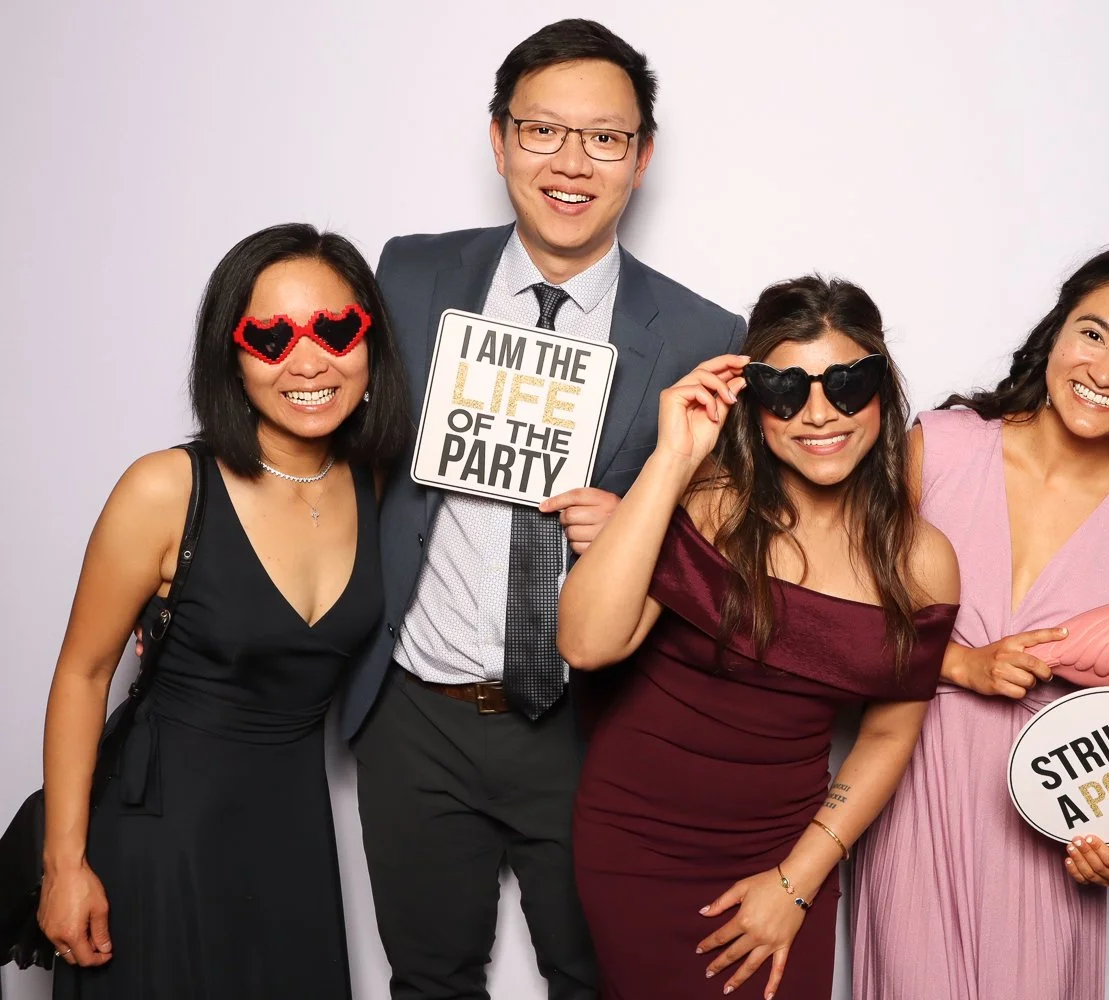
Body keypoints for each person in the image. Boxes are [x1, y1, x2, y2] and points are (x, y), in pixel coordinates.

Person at [342, 19, 746, 1000]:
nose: (572, 163)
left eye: (605, 138)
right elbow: (323, 448)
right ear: (499, 140)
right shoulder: (410, 275)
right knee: (428, 979)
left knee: (599, 976)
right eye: (542, 132)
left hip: (590, 723)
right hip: (416, 712)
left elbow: (737, 534)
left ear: (642, 156)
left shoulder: (705, 333)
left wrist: (643, 531)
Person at [558, 276, 960, 1000]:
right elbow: (587, 644)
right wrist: (673, 458)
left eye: (846, 383)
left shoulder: (922, 560)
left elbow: (888, 737)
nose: (817, 414)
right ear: (754, 404)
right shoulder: (714, 502)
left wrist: (796, 882)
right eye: (785, 391)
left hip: (788, 853)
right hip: (637, 845)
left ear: (881, 386)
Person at [37, 223, 411, 999]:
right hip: (162, 839)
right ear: (232, 359)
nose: (309, 361)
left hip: (294, 844)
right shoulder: (166, 488)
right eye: (271, 338)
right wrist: (64, 865)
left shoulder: (377, 484)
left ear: (370, 343)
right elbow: (84, 673)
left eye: (337, 330)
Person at [852, 247, 1109, 1000]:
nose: (1107, 371)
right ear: (1055, 334)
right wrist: (960, 666)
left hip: (1049, 829)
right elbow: (838, 609)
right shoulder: (941, 448)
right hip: (916, 788)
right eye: (1092, 333)